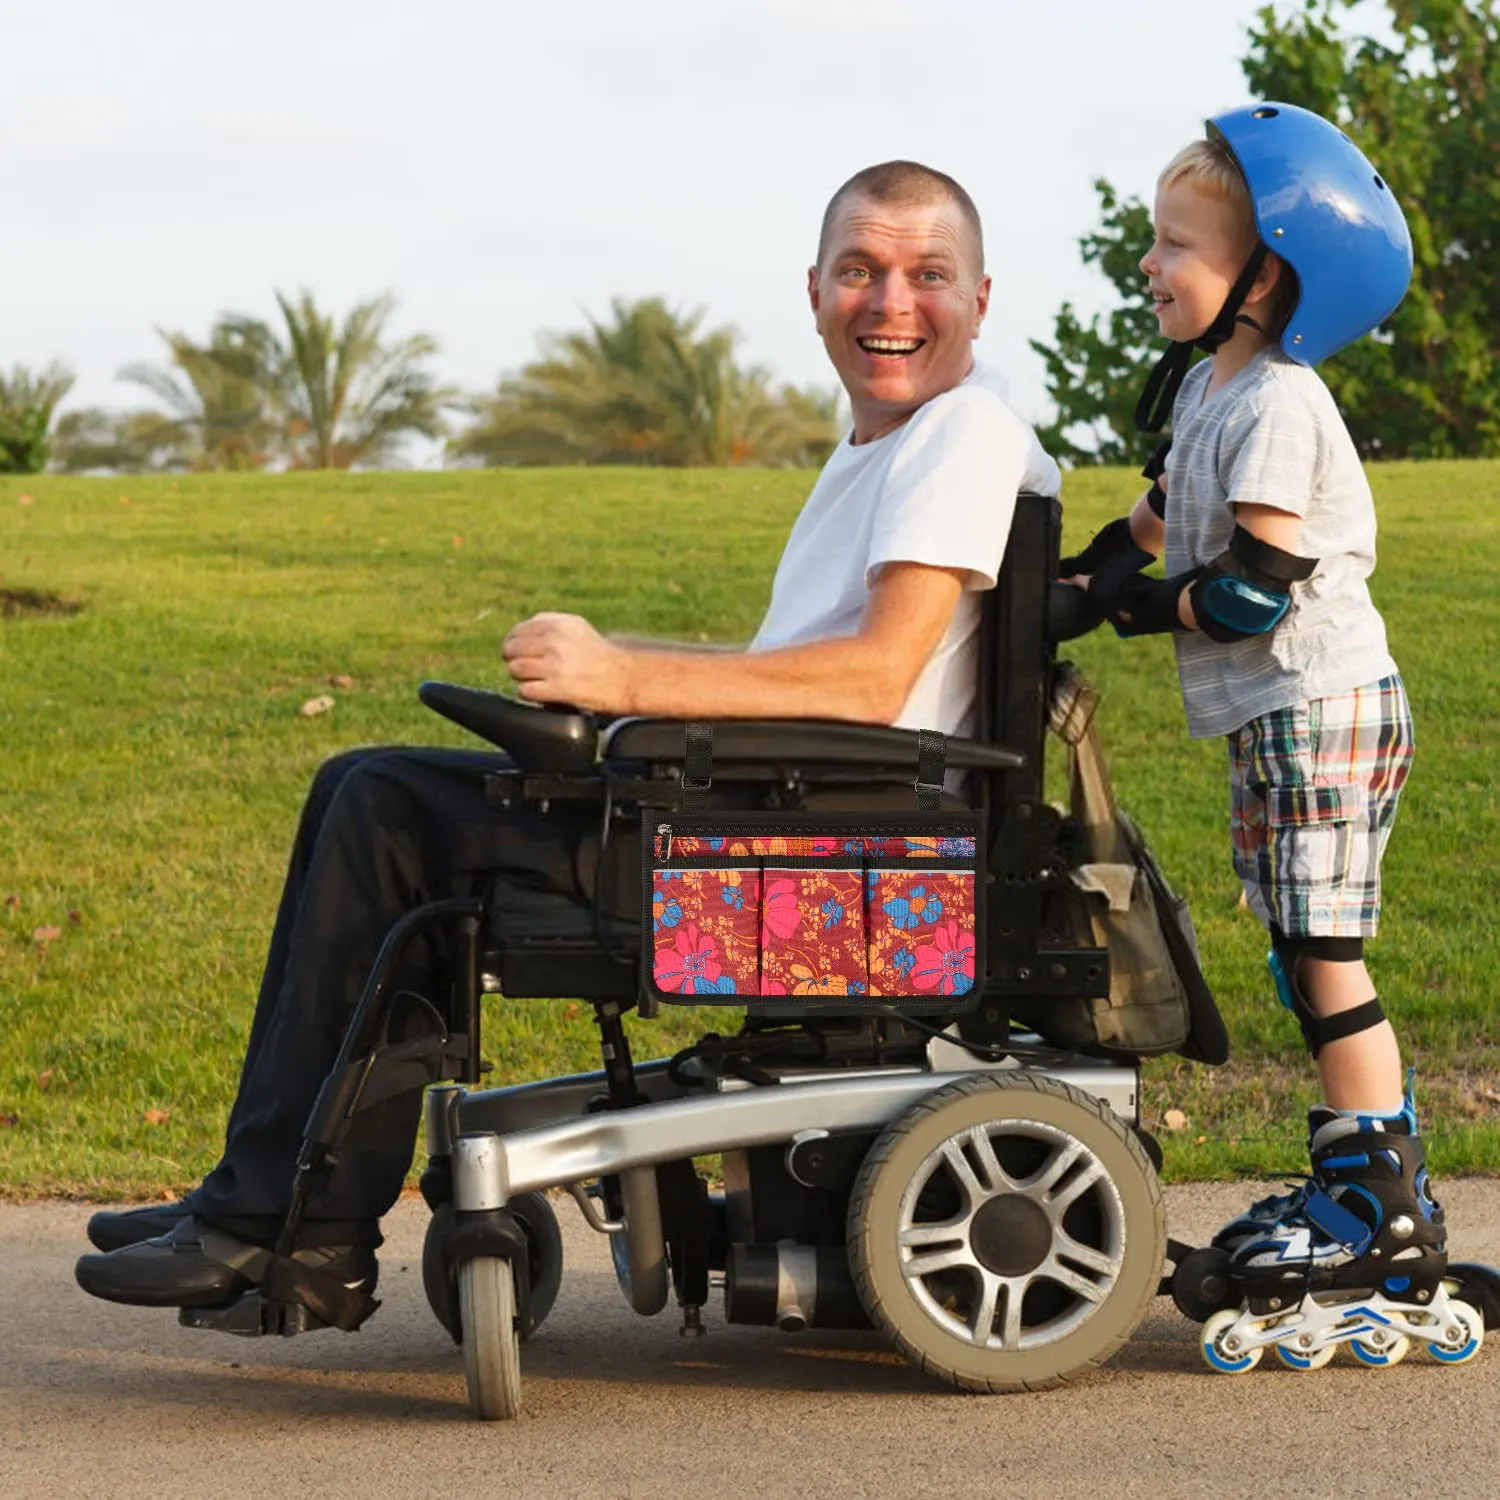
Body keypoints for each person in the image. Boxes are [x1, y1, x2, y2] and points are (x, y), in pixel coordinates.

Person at [75, 160, 1061, 1316]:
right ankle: (258, 1204)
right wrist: (609, 684)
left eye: (926, 275)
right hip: (795, 821)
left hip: (833, 863)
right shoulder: (893, 448)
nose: (891, 301)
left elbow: (877, 675)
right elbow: (792, 676)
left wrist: (624, 678)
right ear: (813, 290)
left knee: (387, 812)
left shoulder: (960, 437)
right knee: (363, 788)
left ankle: (284, 1226)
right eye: (861, 271)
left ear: (981, 300)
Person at [1062, 103, 1444, 1324]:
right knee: (1300, 948)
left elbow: (1246, 592)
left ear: (1266, 277)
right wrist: (1066, 589)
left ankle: (1379, 1195)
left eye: (1177, 244)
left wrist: (1139, 612)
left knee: (1323, 952)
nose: (1150, 264)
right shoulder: (1214, 391)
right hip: (1285, 716)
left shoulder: (1282, 403)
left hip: (1320, 702)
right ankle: (1361, 1175)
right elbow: (1158, 529)